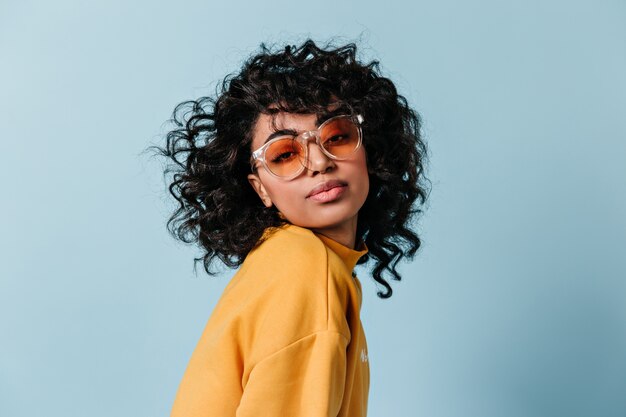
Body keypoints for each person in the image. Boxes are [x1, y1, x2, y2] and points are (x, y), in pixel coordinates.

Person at [155, 38, 429, 417]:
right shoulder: (307, 271)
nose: (319, 161)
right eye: (284, 154)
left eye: (337, 136)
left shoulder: (292, 260)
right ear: (260, 188)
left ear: (370, 148)